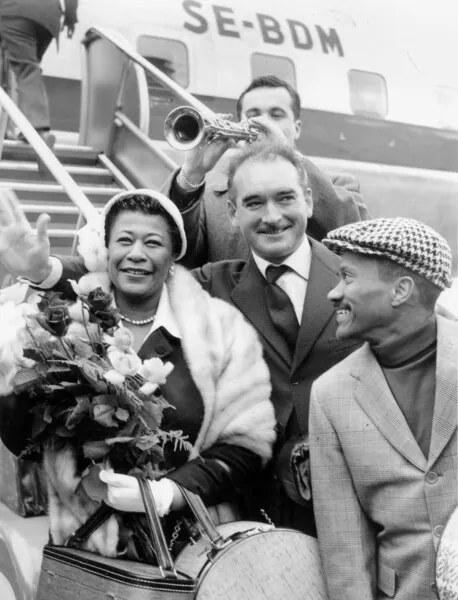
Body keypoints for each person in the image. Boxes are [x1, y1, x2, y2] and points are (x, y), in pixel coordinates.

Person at [0, 142, 362, 535]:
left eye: (285, 198)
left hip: (351, 484)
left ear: (308, 201)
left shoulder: (359, 278)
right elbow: (127, 278)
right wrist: (45, 270)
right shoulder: (212, 285)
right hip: (256, 500)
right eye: (254, 202)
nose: (271, 216)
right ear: (233, 212)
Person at [0, 188, 275, 559]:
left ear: (174, 255)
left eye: (153, 242)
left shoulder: (222, 331)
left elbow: (246, 447)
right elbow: (22, 442)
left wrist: (169, 494)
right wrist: (13, 370)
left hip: (189, 550)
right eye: (124, 240)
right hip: (84, 551)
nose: (136, 254)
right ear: (106, 250)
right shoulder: (62, 326)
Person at [308, 217, 457, 599]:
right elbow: (345, 550)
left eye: (348, 277)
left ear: (400, 290)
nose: (333, 293)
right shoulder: (330, 395)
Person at [162, 75, 370, 269]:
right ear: (240, 123)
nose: (264, 123)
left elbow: (356, 239)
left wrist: (289, 156)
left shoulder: (340, 184)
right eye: (253, 115)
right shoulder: (208, 195)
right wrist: (191, 173)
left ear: (297, 128)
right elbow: (177, 254)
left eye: (276, 115)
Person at [0, 0, 78, 145]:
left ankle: (37, 129)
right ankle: (26, 126)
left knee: (26, 70)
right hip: (48, 17)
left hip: (15, 10)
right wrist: (71, 18)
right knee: (29, 69)